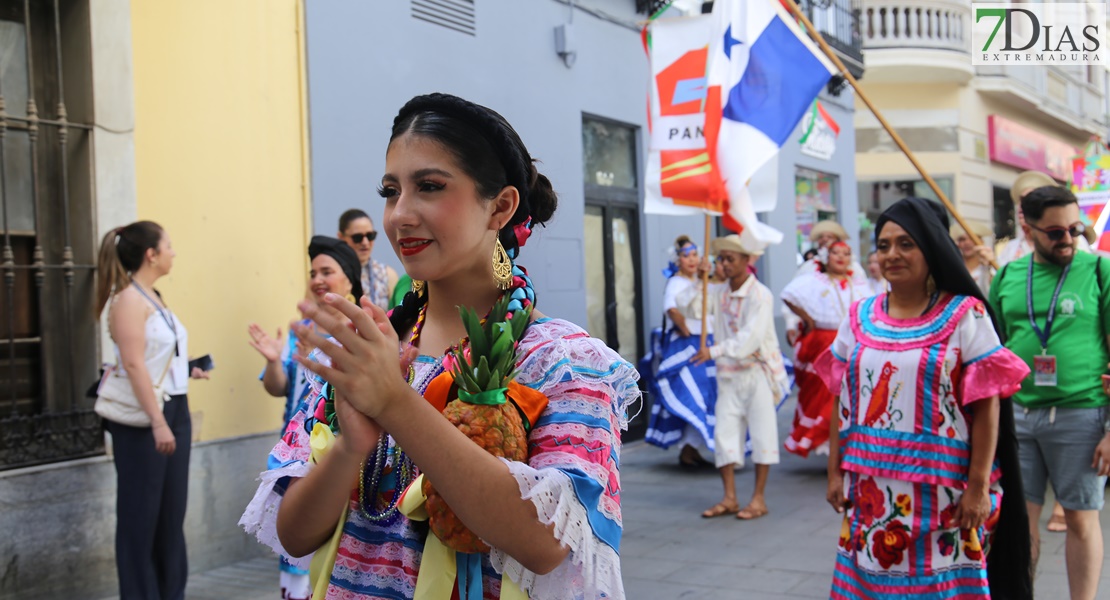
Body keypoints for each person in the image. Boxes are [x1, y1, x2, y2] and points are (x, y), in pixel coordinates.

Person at [241, 93, 636, 599]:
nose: (399, 215)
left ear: (500, 206)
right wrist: (351, 446)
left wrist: (394, 403)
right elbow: (295, 536)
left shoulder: (563, 360)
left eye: (429, 186)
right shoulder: (372, 349)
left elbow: (546, 542)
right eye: (390, 191)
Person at [818, 197, 1032, 600]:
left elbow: (988, 406)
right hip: (871, 489)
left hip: (945, 491)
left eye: (906, 243)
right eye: (883, 245)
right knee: (871, 584)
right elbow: (839, 397)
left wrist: (978, 486)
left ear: (931, 249)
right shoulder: (858, 317)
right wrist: (835, 472)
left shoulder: (964, 315)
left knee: (940, 588)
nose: (892, 255)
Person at [988, 186, 1110, 600]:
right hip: (1018, 415)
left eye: (1075, 228)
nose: (1068, 240)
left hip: (1082, 414)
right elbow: (995, 351)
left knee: (1080, 520)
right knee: (1020, 524)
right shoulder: (1007, 276)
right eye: (1056, 232)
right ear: (1028, 227)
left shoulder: (1098, 271)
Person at [95, 221, 209, 600]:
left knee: (169, 517)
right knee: (139, 519)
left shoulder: (153, 296)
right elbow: (133, 364)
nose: (174, 252)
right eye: (169, 246)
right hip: (147, 420)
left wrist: (187, 368)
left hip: (173, 408)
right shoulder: (128, 299)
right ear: (151, 254)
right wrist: (158, 423)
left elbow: (155, 356)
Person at [247, 236, 363, 600]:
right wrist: (271, 360)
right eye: (313, 272)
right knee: (296, 564)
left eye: (327, 271)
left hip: (340, 466)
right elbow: (279, 386)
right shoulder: (302, 332)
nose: (317, 279)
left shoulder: (365, 334)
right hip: (299, 461)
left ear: (350, 280)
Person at [687, 234, 790, 520]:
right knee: (724, 434)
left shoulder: (761, 295)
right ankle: (730, 497)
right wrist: (700, 280)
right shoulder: (717, 291)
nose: (725, 264)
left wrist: (714, 350)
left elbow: (750, 340)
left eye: (731, 259)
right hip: (728, 375)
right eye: (722, 259)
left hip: (757, 372)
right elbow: (691, 307)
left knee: (762, 433)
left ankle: (758, 499)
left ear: (747, 261)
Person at [781, 241, 872, 458]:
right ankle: (826, 442)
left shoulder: (858, 284)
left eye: (846, 253)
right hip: (824, 343)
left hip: (853, 344)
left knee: (850, 394)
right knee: (824, 393)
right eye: (836, 253)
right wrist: (807, 320)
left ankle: (843, 445)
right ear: (826, 256)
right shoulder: (816, 280)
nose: (841, 257)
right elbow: (788, 295)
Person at [643, 235, 716, 467]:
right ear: (679, 260)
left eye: (694, 254)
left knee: (706, 395)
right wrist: (684, 327)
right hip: (687, 345)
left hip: (705, 342)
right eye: (686, 256)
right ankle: (688, 448)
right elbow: (671, 309)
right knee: (694, 393)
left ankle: (690, 447)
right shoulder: (676, 282)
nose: (692, 260)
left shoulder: (703, 280)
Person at [337, 208, 400, 310]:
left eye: (370, 236)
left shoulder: (387, 274)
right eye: (357, 237)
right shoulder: (329, 274)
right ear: (341, 237)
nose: (365, 242)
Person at [952, 222, 996, 296]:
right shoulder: (954, 269)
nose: (967, 243)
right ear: (958, 244)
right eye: (962, 239)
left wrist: (986, 269)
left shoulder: (990, 268)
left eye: (972, 238)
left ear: (981, 242)